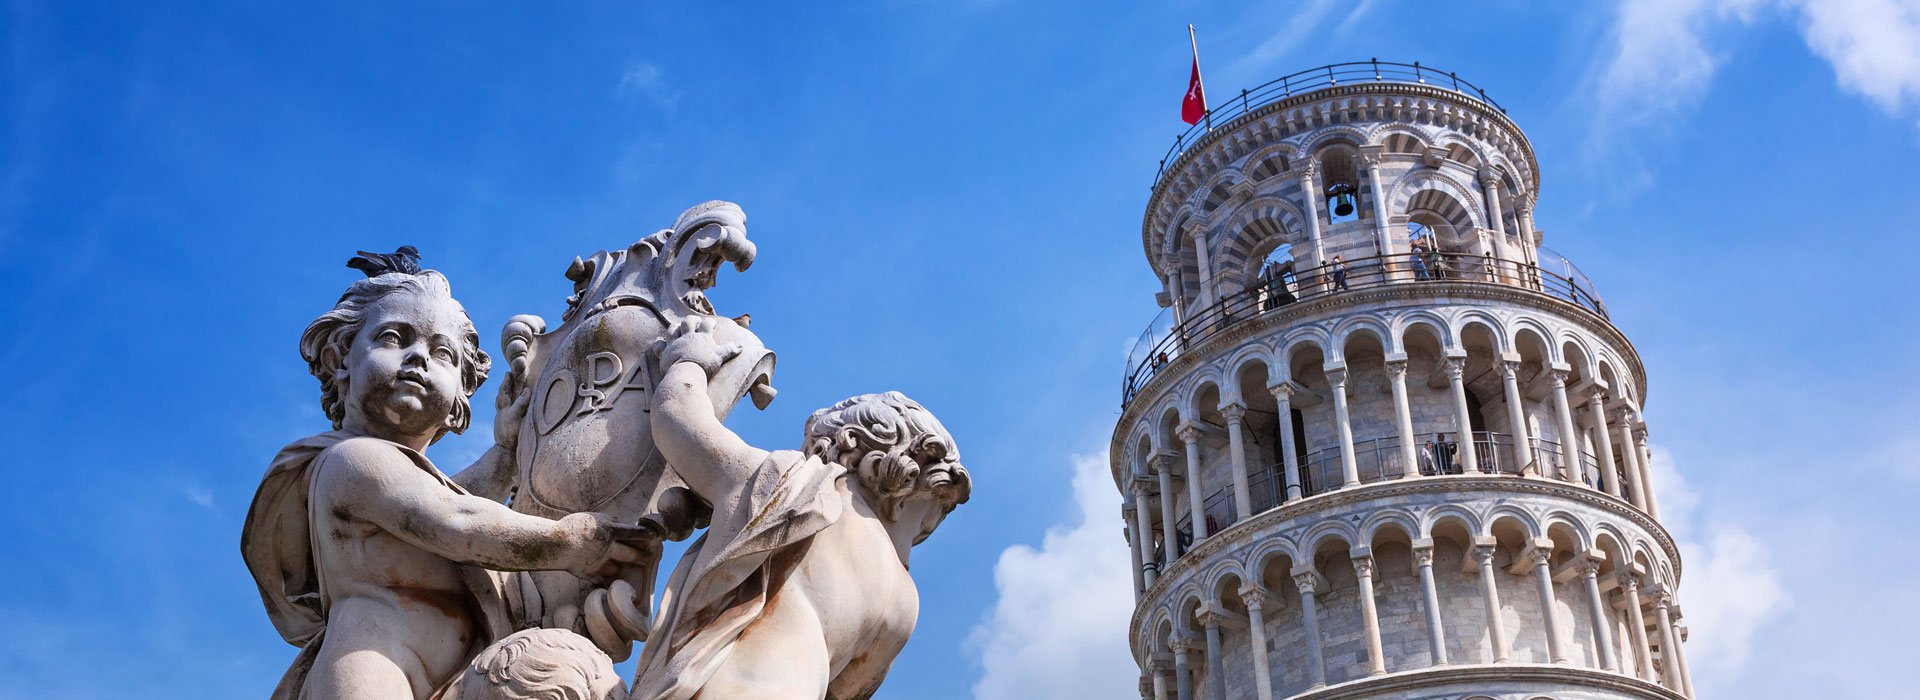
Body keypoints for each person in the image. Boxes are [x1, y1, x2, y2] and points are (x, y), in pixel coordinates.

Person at [242, 248, 655, 700]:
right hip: (375, 669)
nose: (418, 357)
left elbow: (457, 495)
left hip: (453, 670)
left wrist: (504, 453)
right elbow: (457, 521)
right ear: (341, 355)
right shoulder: (353, 461)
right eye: (394, 338)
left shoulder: (414, 482)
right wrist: (570, 541)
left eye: (441, 352)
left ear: (461, 390)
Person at [632, 319, 972, 700]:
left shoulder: (794, 486)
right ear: (901, 490)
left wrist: (688, 357)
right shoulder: (904, 603)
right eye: (924, 526)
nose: (913, 544)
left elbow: (678, 421)